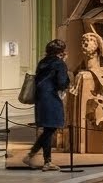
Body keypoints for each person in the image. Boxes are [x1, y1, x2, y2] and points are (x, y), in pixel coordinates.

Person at [22, 38, 69, 171]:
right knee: (51, 129)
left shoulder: (42, 62)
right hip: (51, 99)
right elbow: (62, 82)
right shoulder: (59, 64)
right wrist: (64, 67)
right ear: (61, 52)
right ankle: (31, 155)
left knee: (48, 130)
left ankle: (47, 162)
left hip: (40, 99)